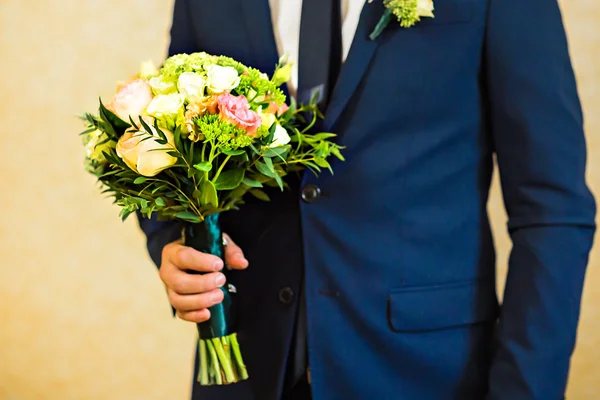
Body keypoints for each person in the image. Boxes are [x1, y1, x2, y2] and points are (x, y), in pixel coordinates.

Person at [137, 0, 597, 399]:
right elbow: (172, 137)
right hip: (247, 373)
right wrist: (178, 247)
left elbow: (552, 210)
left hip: (423, 374)